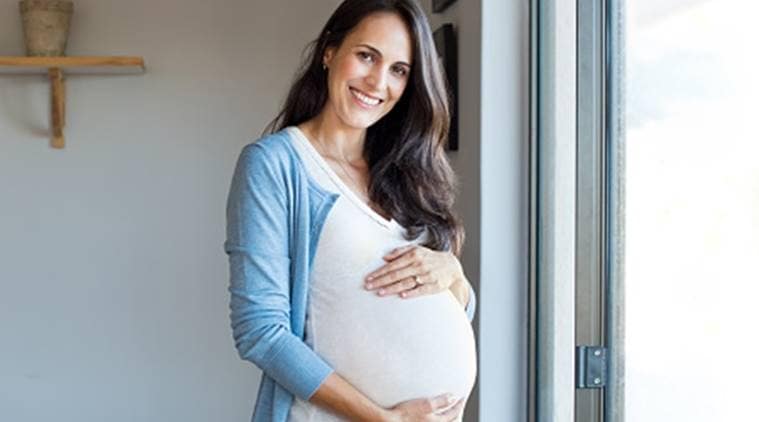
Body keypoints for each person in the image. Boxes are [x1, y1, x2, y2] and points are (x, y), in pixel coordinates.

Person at [224, 1, 477, 421]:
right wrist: (385, 418)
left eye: (399, 69)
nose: (378, 81)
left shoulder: (405, 173)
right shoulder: (276, 165)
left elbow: (458, 310)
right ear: (329, 51)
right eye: (366, 56)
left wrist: (452, 272)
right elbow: (261, 333)